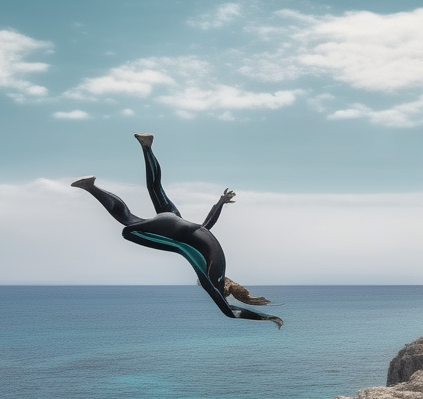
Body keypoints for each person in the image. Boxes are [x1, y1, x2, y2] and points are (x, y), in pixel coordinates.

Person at [72, 133, 283, 328]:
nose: (200, 284)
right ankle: (91, 186)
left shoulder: (220, 260)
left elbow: (206, 225)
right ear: (225, 288)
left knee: (155, 188)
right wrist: (265, 317)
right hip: (174, 231)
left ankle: (146, 146)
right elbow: (228, 311)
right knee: (128, 225)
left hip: (180, 222)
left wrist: (220, 202)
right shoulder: (213, 278)